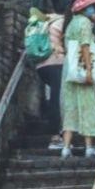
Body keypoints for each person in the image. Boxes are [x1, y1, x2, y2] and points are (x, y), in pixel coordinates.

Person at [60, 0, 95, 159]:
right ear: (85, 9)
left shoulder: (71, 23)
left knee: (70, 106)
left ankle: (65, 147)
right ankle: (88, 147)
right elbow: (85, 46)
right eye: (91, 7)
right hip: (82, 66)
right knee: (87, 105)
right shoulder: (85, 23)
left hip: (70, 68)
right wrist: (89, 71)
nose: (94, 10)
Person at [35, 9, 66, 150]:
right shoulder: (62, 21)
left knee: (53, 97)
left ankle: (57, 134)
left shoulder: (42, 21)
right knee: (57, 100)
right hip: (56, 63)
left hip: (41, 65)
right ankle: (55, 136)